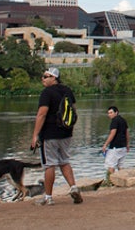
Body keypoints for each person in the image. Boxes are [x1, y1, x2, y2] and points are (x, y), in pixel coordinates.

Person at [30, 67, 83, 205]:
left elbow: (42, 114)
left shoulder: (46, 93)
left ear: (54, 78)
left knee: (49, 165)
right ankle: (73, 187)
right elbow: (74, 109)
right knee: (64, 161)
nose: (43, 78)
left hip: (49, 133)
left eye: (46, 76)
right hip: (66, 132)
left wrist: (35, 135)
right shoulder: (67, 90)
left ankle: (48, 197)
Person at [101, 106, 129, 184]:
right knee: (120, 165)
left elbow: (112, 133)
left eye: (111, 113)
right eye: (108, 113)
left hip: (115, 147)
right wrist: (127, 144)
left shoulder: (114, 121)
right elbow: (127, 133)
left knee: (111, 165)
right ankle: (123, 181)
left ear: (116, 112)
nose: (109, 115)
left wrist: (105, 145)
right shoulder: (123, 120)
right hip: (122, 146)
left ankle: (110, 182)